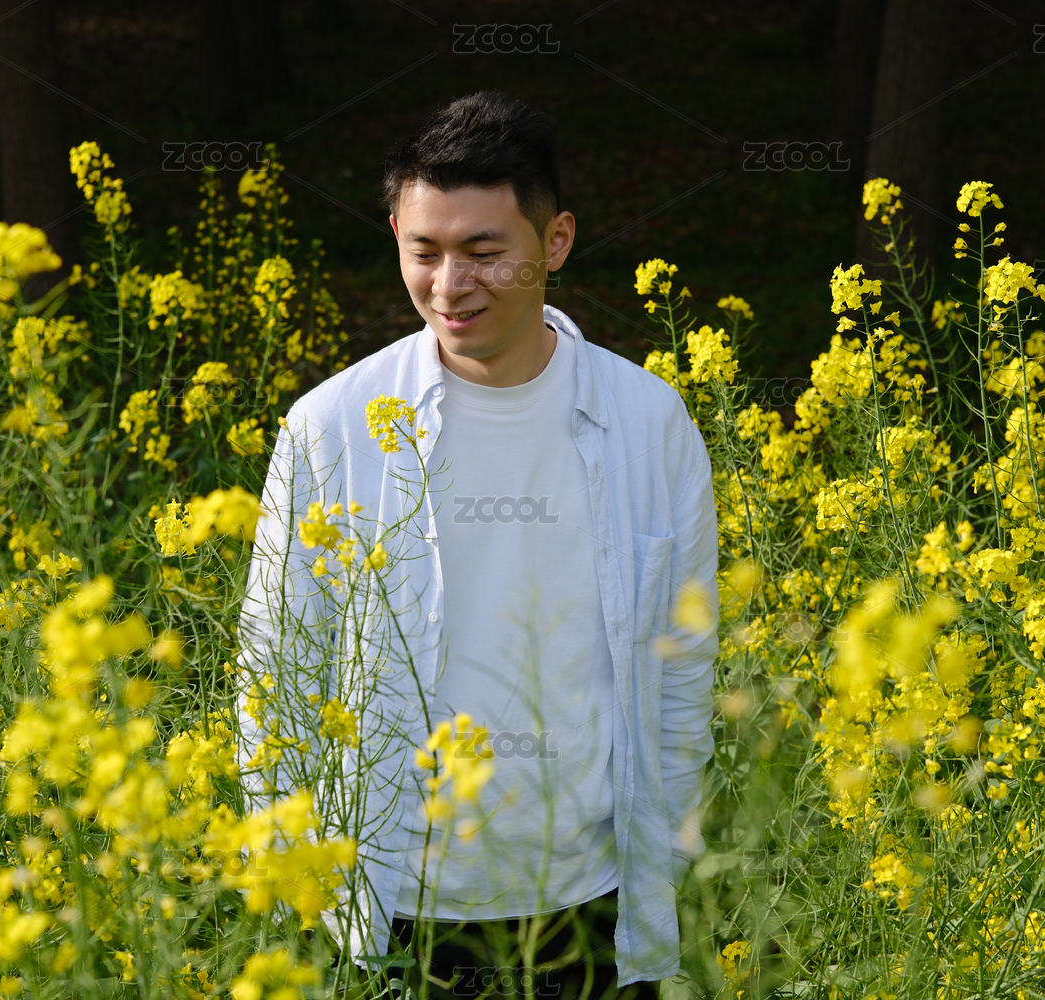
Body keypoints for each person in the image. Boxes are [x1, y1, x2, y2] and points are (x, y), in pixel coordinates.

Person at [237, 90, 718, 999]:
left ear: (556, 242)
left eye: (485, 253)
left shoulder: (649, 422)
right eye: (424, 251)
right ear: (395, 234)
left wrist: (671, 864)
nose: (450, 286)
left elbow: (683, 667)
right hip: (392, 910)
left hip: (595, 906)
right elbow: (275, 675)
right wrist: (296, 888)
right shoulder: (330, 428)